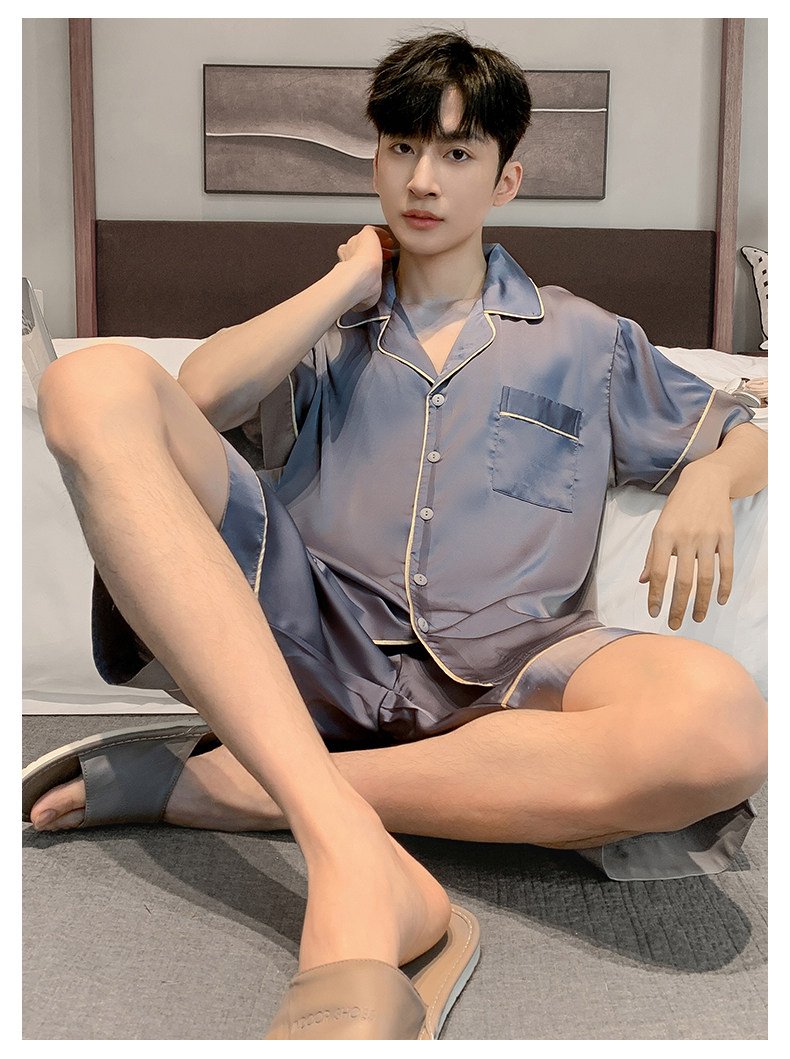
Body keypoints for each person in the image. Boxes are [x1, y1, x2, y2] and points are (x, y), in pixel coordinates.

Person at [23, 30, 767, 1040]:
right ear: (374, 162)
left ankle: (239, 785)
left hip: (512, 668)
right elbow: (194, 396)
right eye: (402, 148)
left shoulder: (590, 341)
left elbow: (744, 428)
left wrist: (711, 476)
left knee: (724, 726)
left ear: (505, 179)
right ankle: (343, 841)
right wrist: (343, 284)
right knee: (87, 381)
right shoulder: (322, 332)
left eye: (457, 153)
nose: (423, 179)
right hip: (308, 638)